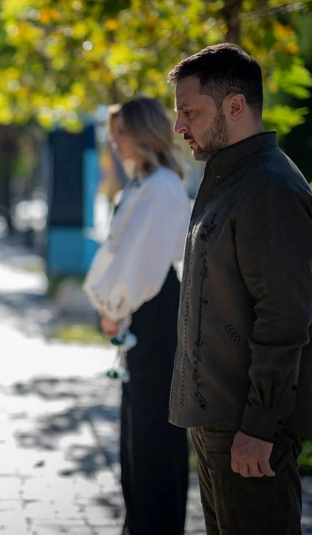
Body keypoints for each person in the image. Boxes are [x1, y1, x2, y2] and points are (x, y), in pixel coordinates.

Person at [168, 43, 312, 535]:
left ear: (235, 106)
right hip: (219, 425)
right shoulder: (231, 177)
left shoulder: (269, 187)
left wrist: (259, 427)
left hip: (247, 432)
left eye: (190, 111)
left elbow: (285, 317)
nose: (179, 125)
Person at [82, 98, 191, 535]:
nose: (114, 141)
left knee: (153, 437)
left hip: (154, 312)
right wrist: (113, 307)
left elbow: (140, 262)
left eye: (121, 132)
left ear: (144, 135)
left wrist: (113, 309)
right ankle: (142, 523)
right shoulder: (146, 183)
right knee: (138, 435)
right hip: (145, 311)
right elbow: (121, 254)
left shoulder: (160, 187)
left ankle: (154, 526)